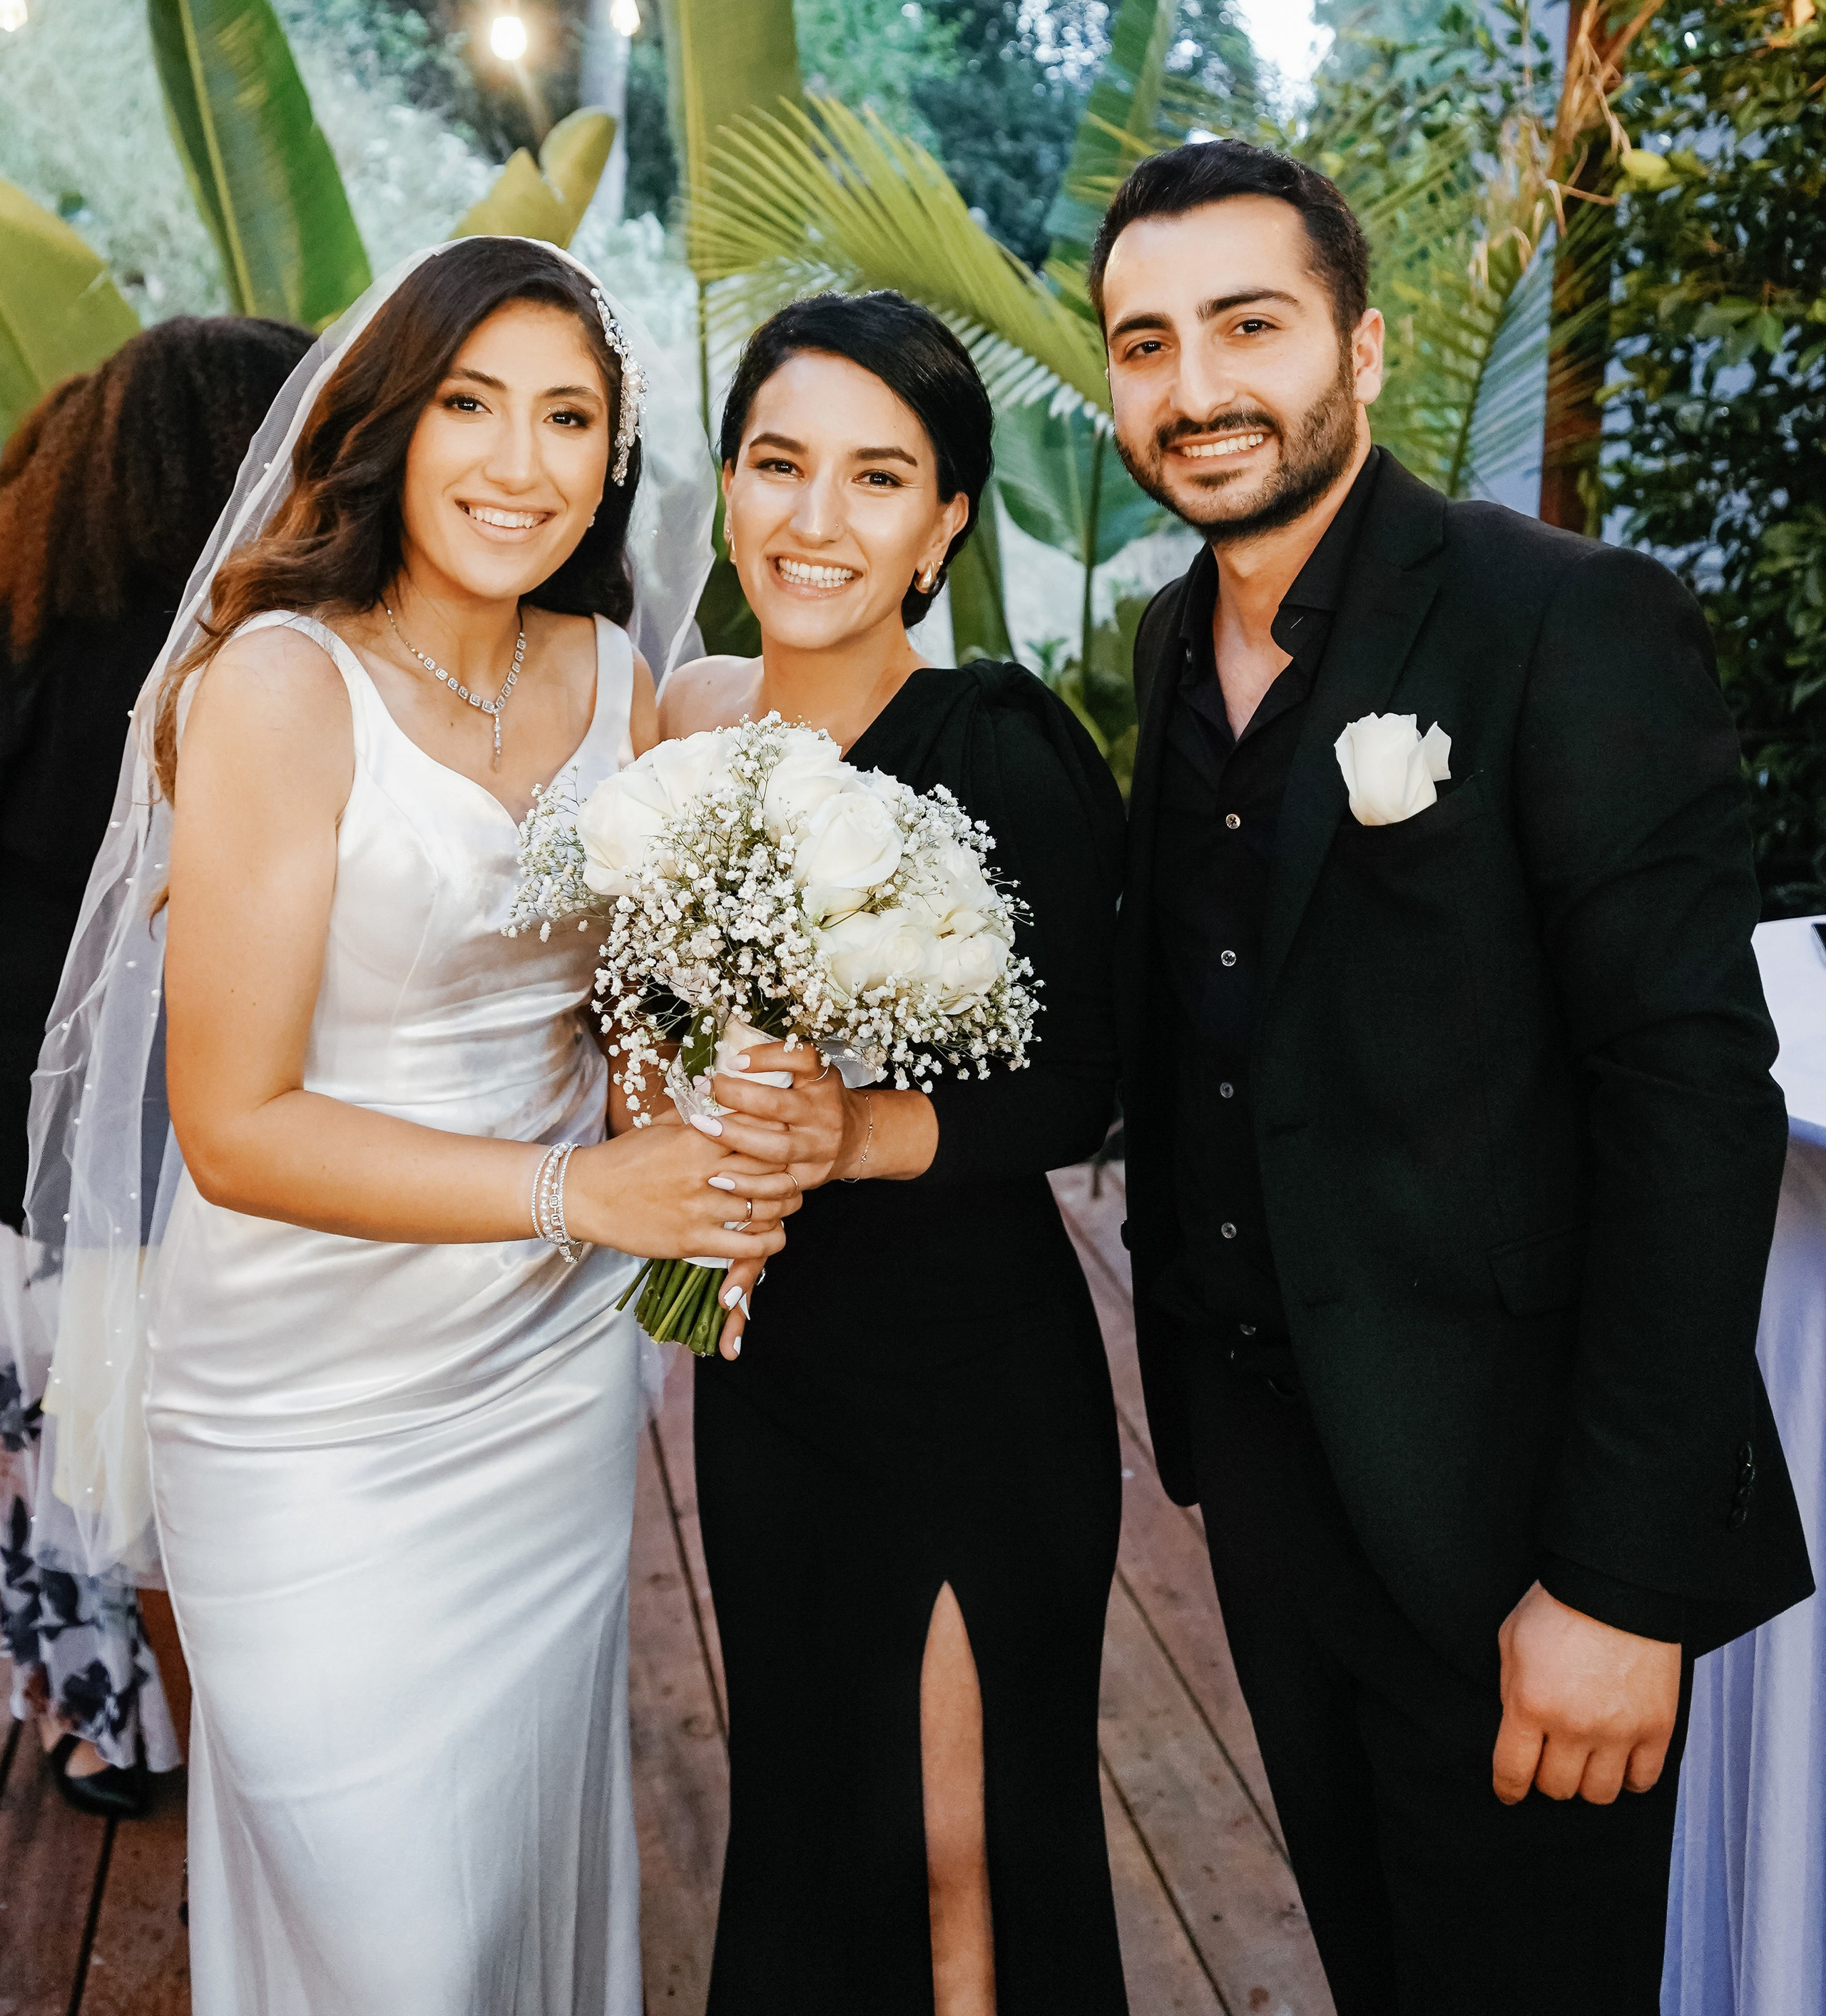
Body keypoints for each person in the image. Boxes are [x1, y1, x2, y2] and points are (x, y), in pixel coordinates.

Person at [21, 237, 781, 2016]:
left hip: (548, 1381)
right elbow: (233, 1126)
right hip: (302, 1408)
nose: (518, 463)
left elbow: (632, 1023)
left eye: (567, 417)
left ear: (614, 455)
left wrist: (708, 1131)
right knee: (396, 1946)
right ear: (388, 423)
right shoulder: (282, 685)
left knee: (508, 1872)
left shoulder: (615, 674)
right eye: (471, 406)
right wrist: (588, 1184)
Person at [1097, 136, 1815, 2015]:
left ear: (1365, 346)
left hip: (1514, 1521)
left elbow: (1691, 1096)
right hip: (1266, 1478)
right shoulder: (1173, 640)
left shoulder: (1561, 620)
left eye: (1247, 326)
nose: (1196, 389)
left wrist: (1619, 1581)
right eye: (1145, 344)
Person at [660, 291, 1130, 2016]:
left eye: (877, 478)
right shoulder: (677, 746)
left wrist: (858, 1128)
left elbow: (1087, 1079)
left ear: (943, 523)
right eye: (778, 463)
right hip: (767, 1377)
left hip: (966, 1381)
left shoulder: (998, 738)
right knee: (806, 1816)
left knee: (962, 1842)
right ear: (725, 487)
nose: (814, 516)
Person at [1, 313, 313, 1816]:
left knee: (86, 1457)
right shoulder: (229, 672)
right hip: (174, 1158)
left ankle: (109, 1726)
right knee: (172, 1474)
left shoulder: (25, 622)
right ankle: (225, 1744)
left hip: (27, 1159)